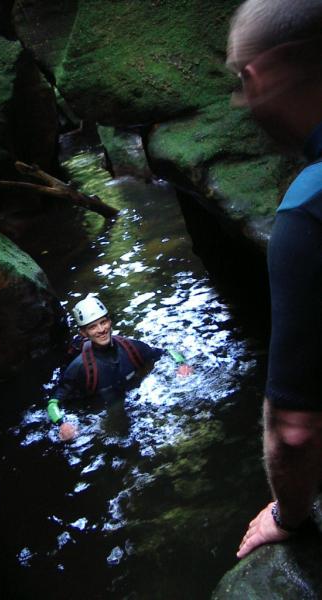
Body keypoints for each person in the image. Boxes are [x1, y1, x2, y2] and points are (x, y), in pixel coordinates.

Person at [226, 0, 322, 559]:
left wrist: (290, 515)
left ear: (269, 70)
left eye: (242, 80)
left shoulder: (309, 210)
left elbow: (295, 431)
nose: (242, 100)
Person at [47, 294, 193, 441]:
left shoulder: (131, 348)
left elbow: (167, 352)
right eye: (93, 327)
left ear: (110, 322)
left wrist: (182, 365)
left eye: (103, 322)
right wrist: (62, 424)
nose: (101, 330)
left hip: (134, 402)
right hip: (99, 410)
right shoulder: (79, 367)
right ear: (84, 333)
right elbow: (53, 403)